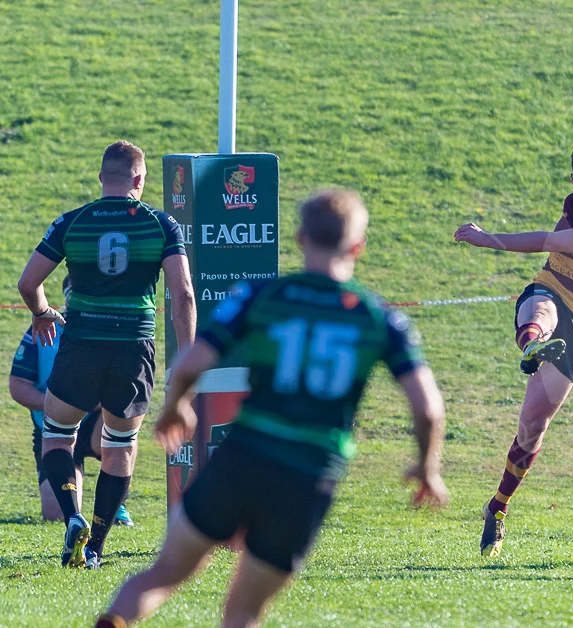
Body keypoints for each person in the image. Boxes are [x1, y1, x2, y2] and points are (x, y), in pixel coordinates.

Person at [95, 188, 449, 627]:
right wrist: (426, 468)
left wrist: (177, 407)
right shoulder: (379, 318)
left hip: (244, 455)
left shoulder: (262, 295)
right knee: (243, 609)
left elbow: (191, 362)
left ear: (300, 238)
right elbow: (428, 408)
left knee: (164, 573)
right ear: (358, 246)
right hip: (308, 475)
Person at [16, 141, 193, 567]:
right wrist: (187, 359)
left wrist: (42, 313)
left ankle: (72, 518)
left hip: (82, 345)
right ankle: (95, 546)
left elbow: (28, 283)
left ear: (101, 178)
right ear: (139, 179)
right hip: (133, 349)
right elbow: (184, 295)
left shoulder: (72, 222)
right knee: (120, 447)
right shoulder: (161, 225)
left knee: (58, 436)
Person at [453, 144, 573, 556]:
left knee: (533, 426)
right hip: (549, 291)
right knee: (541, 311)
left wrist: (487, 239)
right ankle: (533, 344)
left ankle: (497, 507)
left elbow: (546, 240)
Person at [10, 277, 133, 525]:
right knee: (56, 515)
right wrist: (56, 404)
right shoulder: (44, 327)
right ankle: (75, 504)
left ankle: (116, 502)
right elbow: (18, 386)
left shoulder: (109, 328)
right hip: (52, 424)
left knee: (122, 421)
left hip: (94, 421)